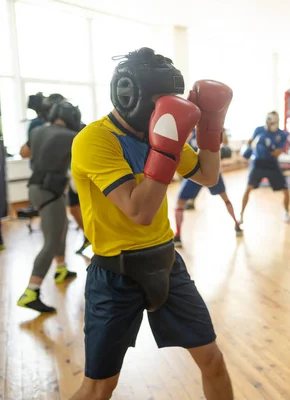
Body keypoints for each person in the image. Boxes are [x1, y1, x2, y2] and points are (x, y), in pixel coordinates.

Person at [69, 47, 234, 400]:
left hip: (167, 266)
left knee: (213, 360)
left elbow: (207, 174)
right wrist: (166, 149)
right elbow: (140, 212)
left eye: (172, 100)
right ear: (130, 94)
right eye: (161, 100)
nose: (167, 108)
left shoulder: (156, 133)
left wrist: (210, 126)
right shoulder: (95, 140)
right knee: (99, 387)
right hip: (116, 275)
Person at [16, 101, 81, 313]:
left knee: (59, 228)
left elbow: (24, 152)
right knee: (52, 241)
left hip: (36, 187)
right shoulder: (70, 136)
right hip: (50, 190)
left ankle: (61, 269)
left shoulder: (37, 131)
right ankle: (31, 292)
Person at [174, 129, 242, 247]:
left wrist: (220, 129)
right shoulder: (189, 127)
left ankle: (236, 224)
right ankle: (178, 235)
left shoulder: (210, 126)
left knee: (225, 198)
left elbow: (225, 143)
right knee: (180, 203)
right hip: (193, 171)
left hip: (210, 170)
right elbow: (178, 146)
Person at [240, 111, 290, 225]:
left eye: (271, 122)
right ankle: (241, 216)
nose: (269, 124)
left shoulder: (282, 135)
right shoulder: (259, 130)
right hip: (258, 163)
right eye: (268, 121)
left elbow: (277, 153)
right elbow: (250, 144)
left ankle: (286, 214)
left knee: (285, 191)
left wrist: (264, 146)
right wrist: (251, 144)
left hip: (272, 164)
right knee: (248, 188)